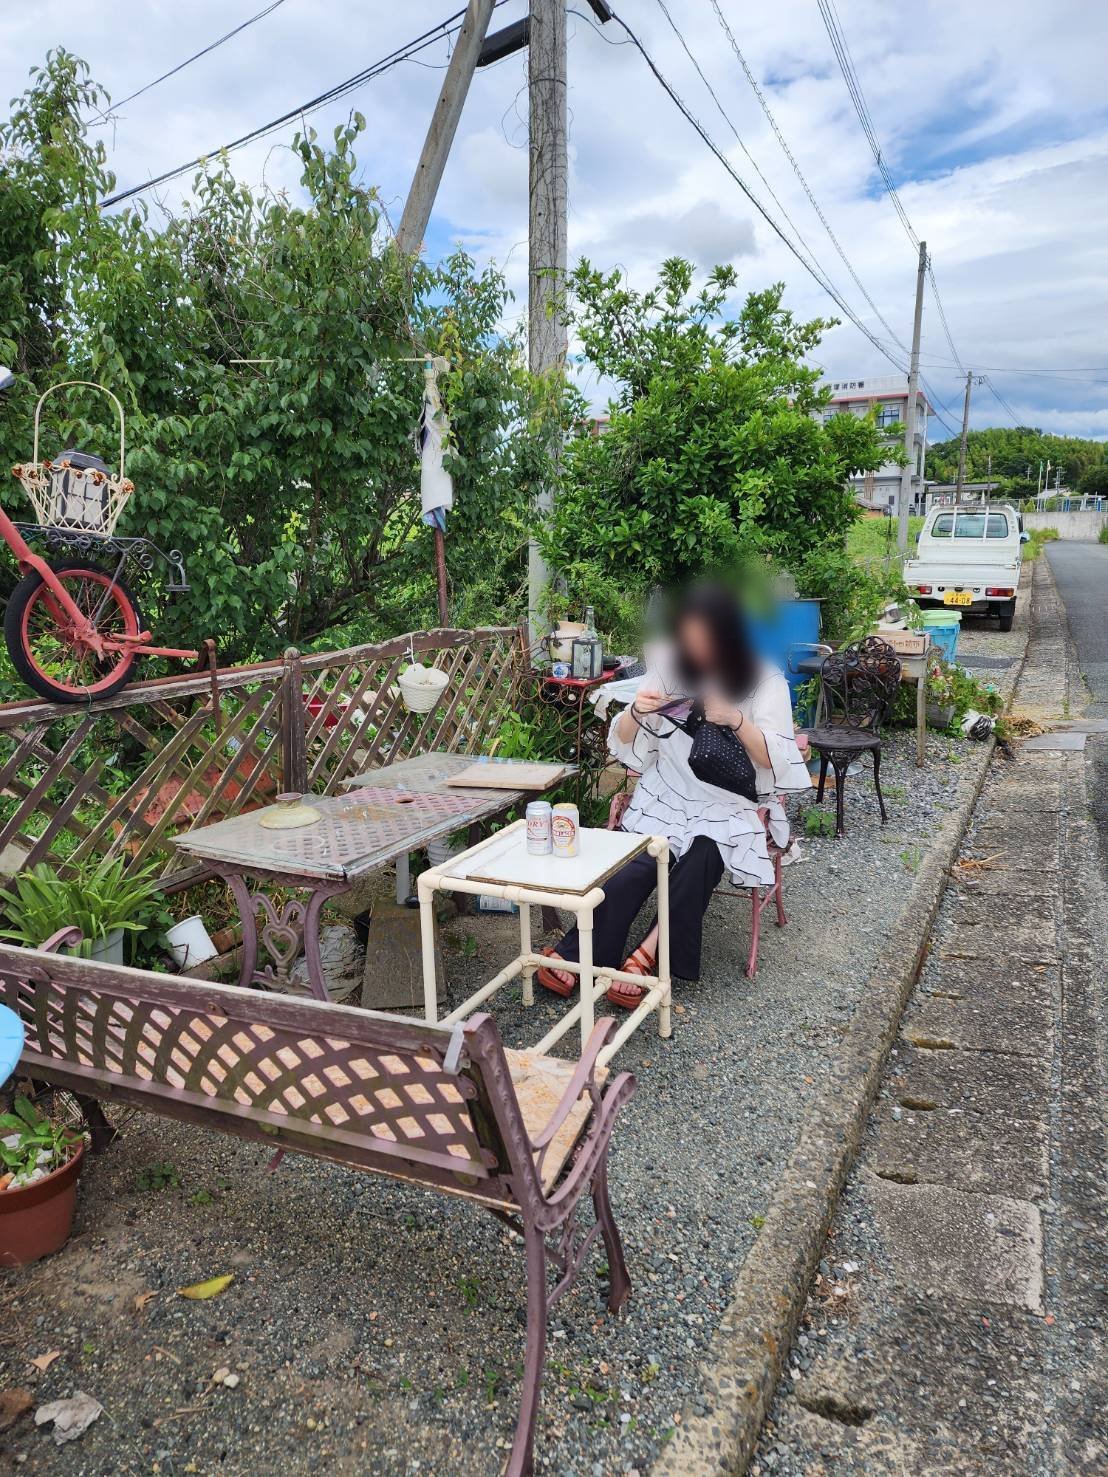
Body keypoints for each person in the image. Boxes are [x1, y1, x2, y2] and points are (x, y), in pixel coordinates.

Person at [536, 584, 811, 1008]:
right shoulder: (670, 665)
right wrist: (636, 712)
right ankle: (581, 951)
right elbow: (624, 739)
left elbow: (777, 760)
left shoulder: (764, 679)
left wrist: (736, 719)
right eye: (688, 639)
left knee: (701, 858)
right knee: (633, 867)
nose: (695, 650)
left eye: (705, 641)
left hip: (730, 800)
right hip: (669, 791)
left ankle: (649, 954)